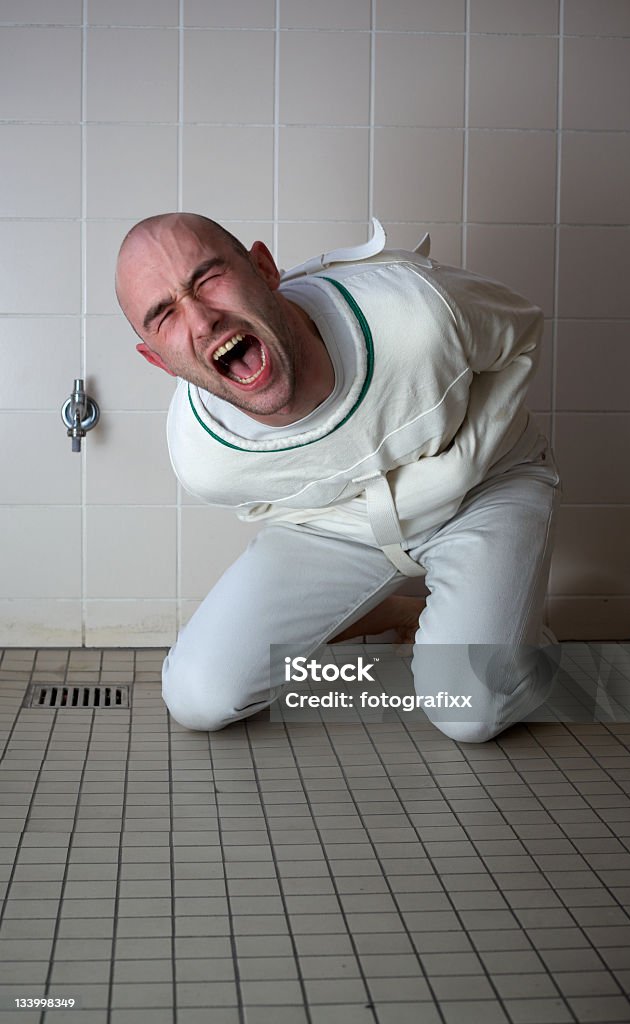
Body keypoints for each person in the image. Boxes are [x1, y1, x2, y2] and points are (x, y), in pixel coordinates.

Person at [115, 212, 561, 743]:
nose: (202, 320)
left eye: (208, 279)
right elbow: (278, 510)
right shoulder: (203, 455)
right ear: (157, 359)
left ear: (263, 268)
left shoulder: (416, 313)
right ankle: (403, 610)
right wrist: (383, 513)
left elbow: (523, 332)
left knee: (469, 711)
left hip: (489, 485)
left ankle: (523, 643)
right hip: (343, 529)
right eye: (164, 315)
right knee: (200, 697)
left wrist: (464, 461)